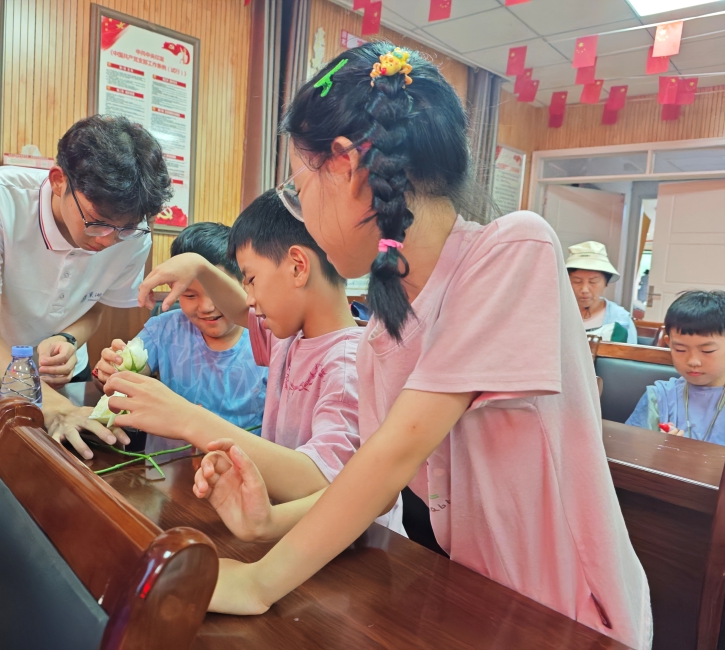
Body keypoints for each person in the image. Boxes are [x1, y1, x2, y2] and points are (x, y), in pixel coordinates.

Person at [166, 44, 651, 649]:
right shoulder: (384, 327)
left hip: (568, 610)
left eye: (298, 188)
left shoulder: (514, 249)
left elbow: (396, 453)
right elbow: (372, 487)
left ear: (347, 167)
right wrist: (268, 524)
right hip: (474, 601)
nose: (300, 212)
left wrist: (259, 581)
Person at [104, 190, 404, 530]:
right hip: (302, 530)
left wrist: (188, 419)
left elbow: (325, 482)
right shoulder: (290, 337)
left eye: (251, 280)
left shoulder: (349, 365)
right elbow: (238, 310)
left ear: (298, 267)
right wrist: (200, 267)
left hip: (365, 546)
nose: (248, 299)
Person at [0, 115, 172, 459]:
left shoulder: (133, 237)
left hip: (58, 377)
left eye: (125, 228)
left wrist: (69, 339)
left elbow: (97, 305)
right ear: (59, 181)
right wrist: (55, 407)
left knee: (51, 470)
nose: (108, 241)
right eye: (97, 222)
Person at [93, 222, 267, 440]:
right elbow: (120, 381)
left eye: (215, 293)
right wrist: (109, 372)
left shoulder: (268, 339)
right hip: (167, 461)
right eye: (190, 295)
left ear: (243, 284)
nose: (206, 307)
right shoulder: (163, 329)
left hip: (241, 459)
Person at [626, 291, 725, 443]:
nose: (693, 361)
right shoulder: (659, 397)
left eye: (707, 351)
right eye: (680, 349)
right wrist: (659, 450)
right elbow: (629, 449)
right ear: (669, 344)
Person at [566, 241, 638, 343]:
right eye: (577, 281)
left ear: (606, 282)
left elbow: (631, 352)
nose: (584, 289)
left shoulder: (620, 319)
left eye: (593, 281)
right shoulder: (556, 311)